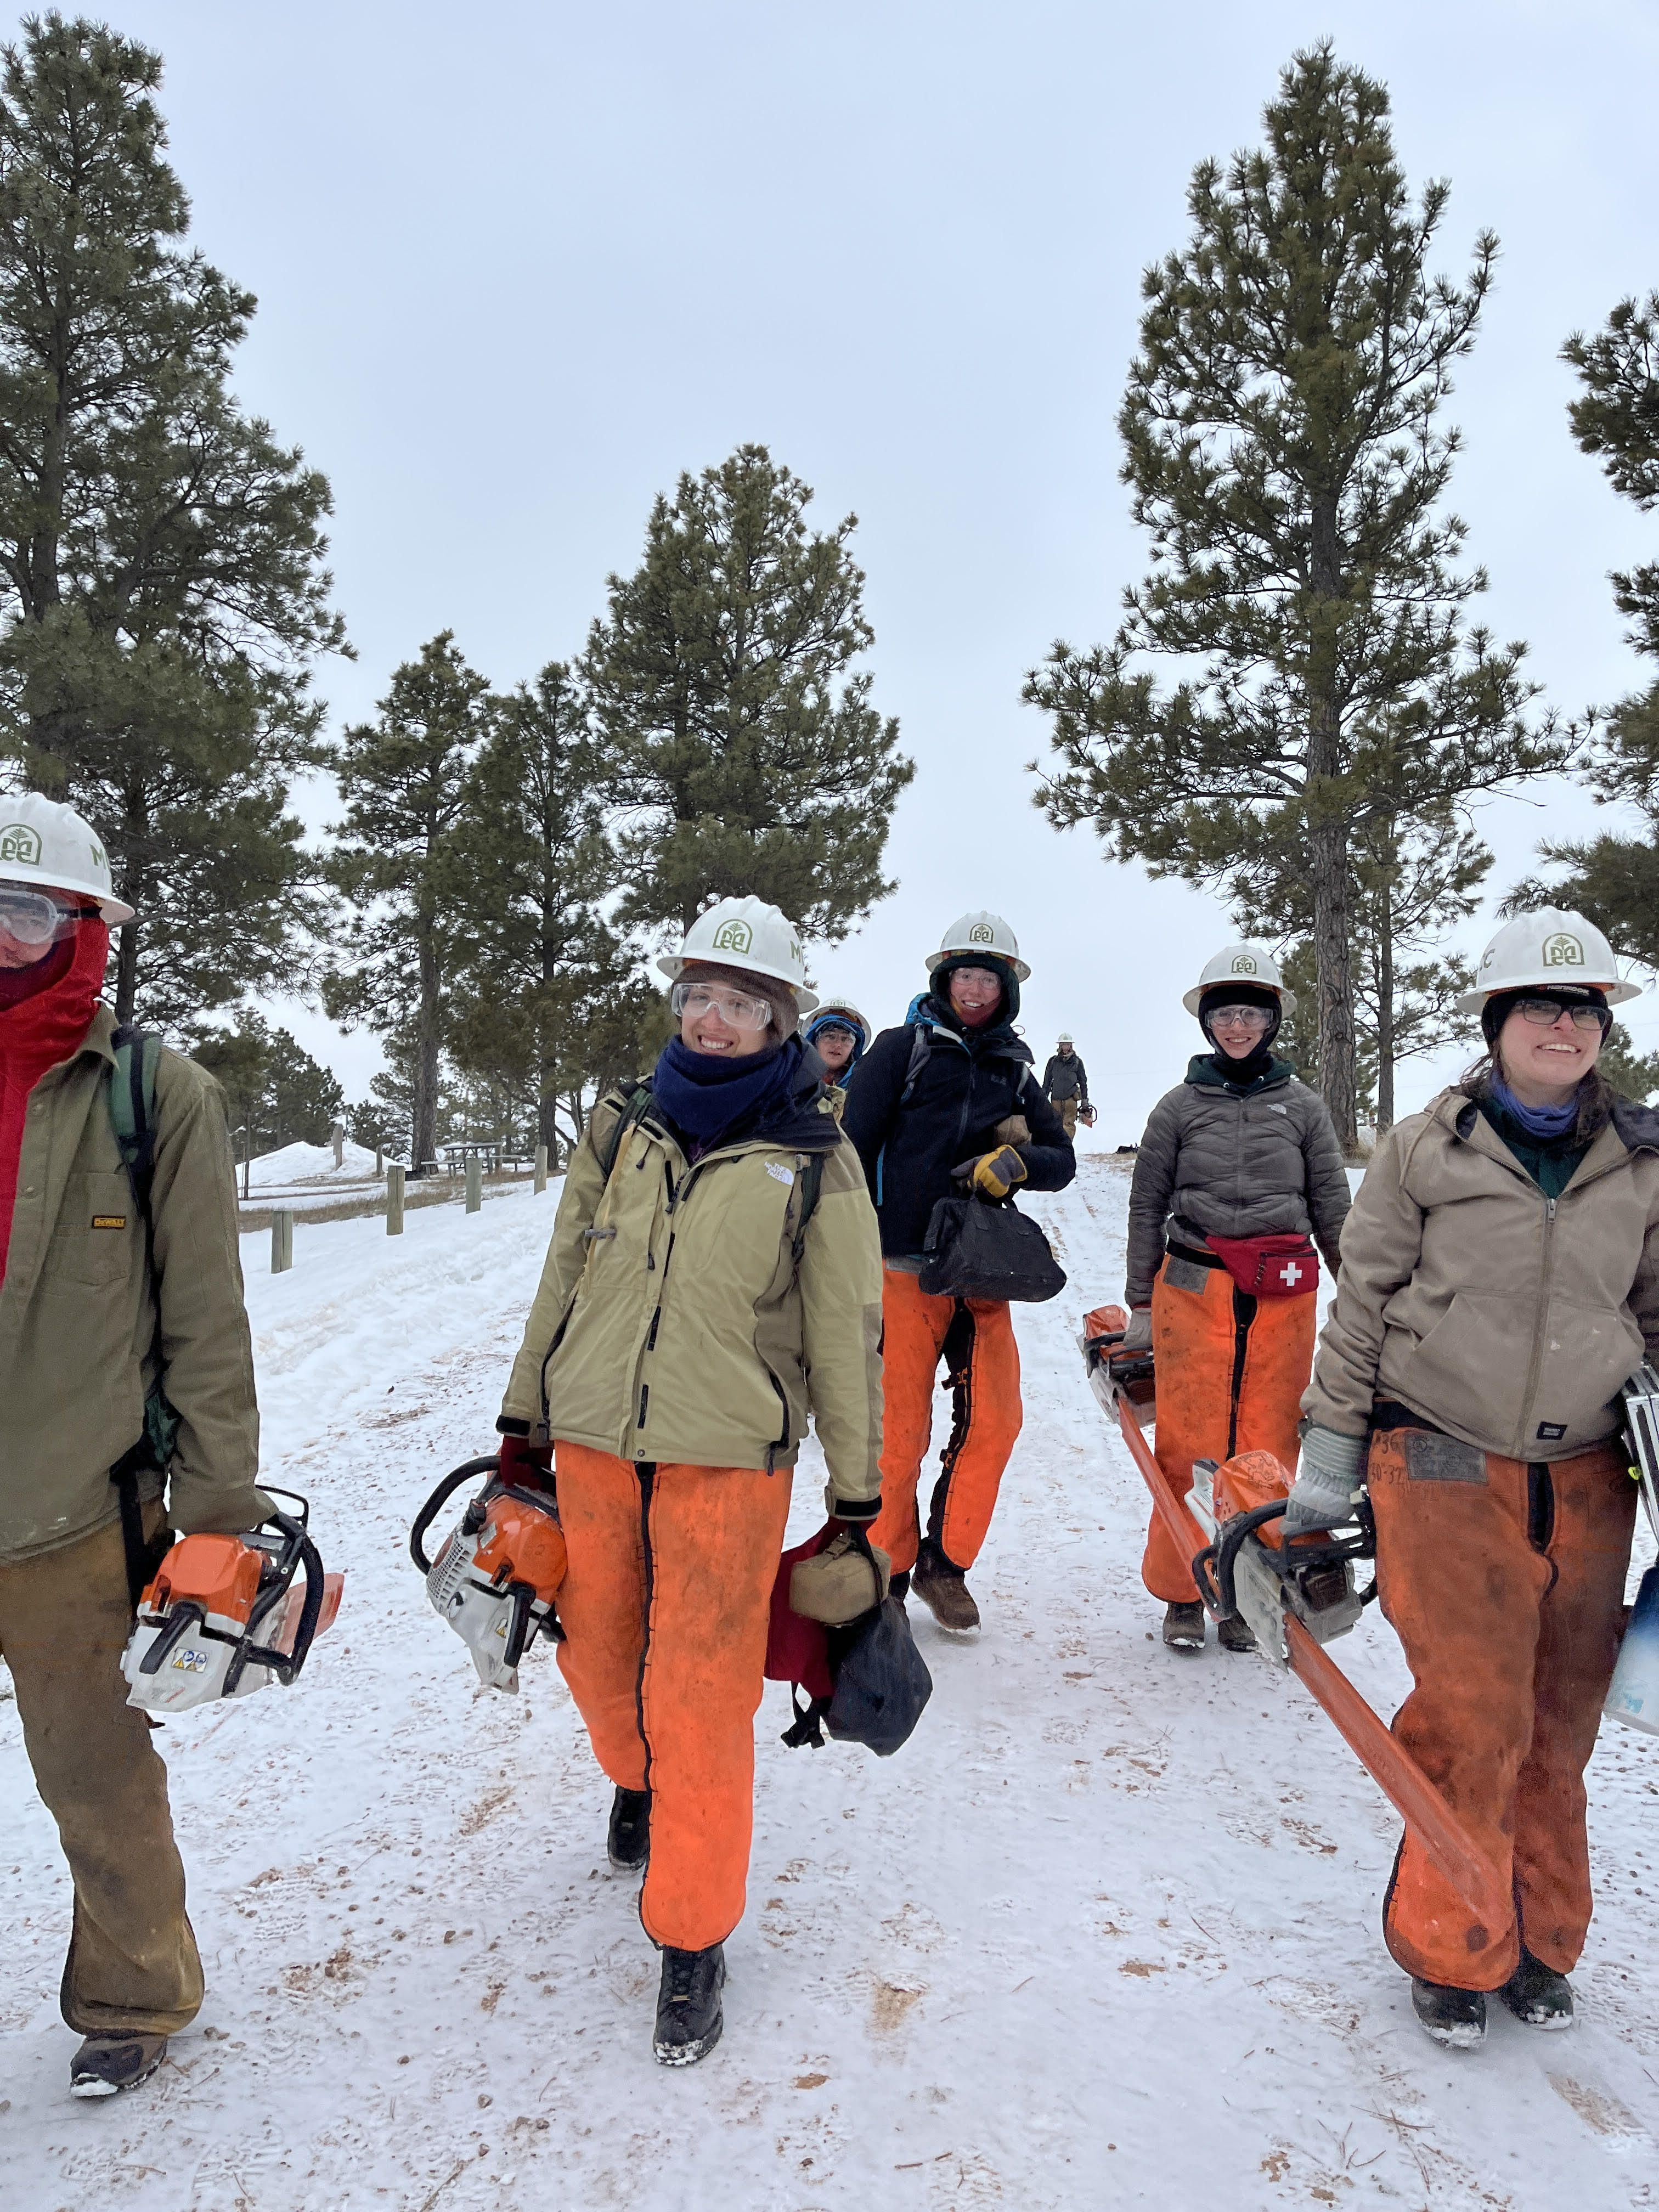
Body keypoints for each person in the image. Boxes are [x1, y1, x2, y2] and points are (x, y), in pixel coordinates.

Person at [495, 895, 883, 2066]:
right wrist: (525, 1420)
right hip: (599, 1442)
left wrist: (856, 1500)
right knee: (598, 1654)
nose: (715, 1021)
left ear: (782, 1020)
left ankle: (692, 1936)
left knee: (706, 1692)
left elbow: (846, 1332)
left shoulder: (816, 1158)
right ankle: (641, 1779)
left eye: (743, 1003)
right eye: (699, 998)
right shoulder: (622, 1128)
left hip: (731, 1464)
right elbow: (564, 1274)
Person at [1292, 909, 1659, 2050]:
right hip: (1440, 1450)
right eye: (1542, 1006)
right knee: (1472, 1711)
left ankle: (1543, 1939)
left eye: (1584, 1008)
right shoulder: (1423, 1148)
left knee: (1561, 1721)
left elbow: (1653, 1314)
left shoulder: (1644, 1161)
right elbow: (1361, 1311)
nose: (1564, 1023)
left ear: (1603, 1030)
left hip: (1591, 1470)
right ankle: (1454, 1943)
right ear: (1498, 1022)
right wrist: (1325, 1473)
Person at [0, 794, 268, 2098]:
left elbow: (209, 1325)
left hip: (74, 1515)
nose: (4, 939)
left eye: (30, 912)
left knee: (95, 1778)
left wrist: (218, 1514)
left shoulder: (157, 1095)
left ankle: (133, 1994)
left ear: (88, 929)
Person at [841, 912, 1075, 1632]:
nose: (975, 990)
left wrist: (1016, 1163)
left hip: (981, 1274)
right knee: (899, 1436)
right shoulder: (899, 1050)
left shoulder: (1015, 1069)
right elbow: (848, 1151)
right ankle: (887, 1574)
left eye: (988, 979)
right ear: (943, 982)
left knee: (998, 1425)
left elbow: (1060, 1161)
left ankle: (948, 1567)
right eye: (964, 977)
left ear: (1007, 990)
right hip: (903, 1270)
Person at [1124, 943, 1350, 1652]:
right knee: (1188, 1446)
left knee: (1268, 1447)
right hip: (1192, 1291)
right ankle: (1184, 1592)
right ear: (1207, 1023)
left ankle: (1252, 1592)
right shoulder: (1178, 1108)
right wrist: (1137, 1304)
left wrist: (1364, 1302)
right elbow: (1146, 1204)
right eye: (1225, 1014)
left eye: (1251, 1013)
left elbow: (1333, 1208)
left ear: (1272, 1020)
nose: (1238, 1026)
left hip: (1283, 1298)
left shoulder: (1305, 1109)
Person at [804, 995, 872, 1110]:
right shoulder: (791, 1082)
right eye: (830, 1036)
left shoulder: (867, 1089)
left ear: (854, 1048)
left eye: (846, 1039)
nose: (838, 1045)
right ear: (814, 1041)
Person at [1041, 1034, 1091, 1140]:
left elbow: (1083, 1082)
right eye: (1063, 1045)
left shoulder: (1077, 1062)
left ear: (1071, 1046)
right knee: (1055, 1125)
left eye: (1068, 1045)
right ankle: (1056, 1149)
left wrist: (1085, 1102)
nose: (1065, 1047)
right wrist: (1043, 1097)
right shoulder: (1053, 1061)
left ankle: (1066, 1148)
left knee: (1068, 1125)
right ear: (1060, 1046)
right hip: (1055, 1100)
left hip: (1071, 1100)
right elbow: (1047, 1081)